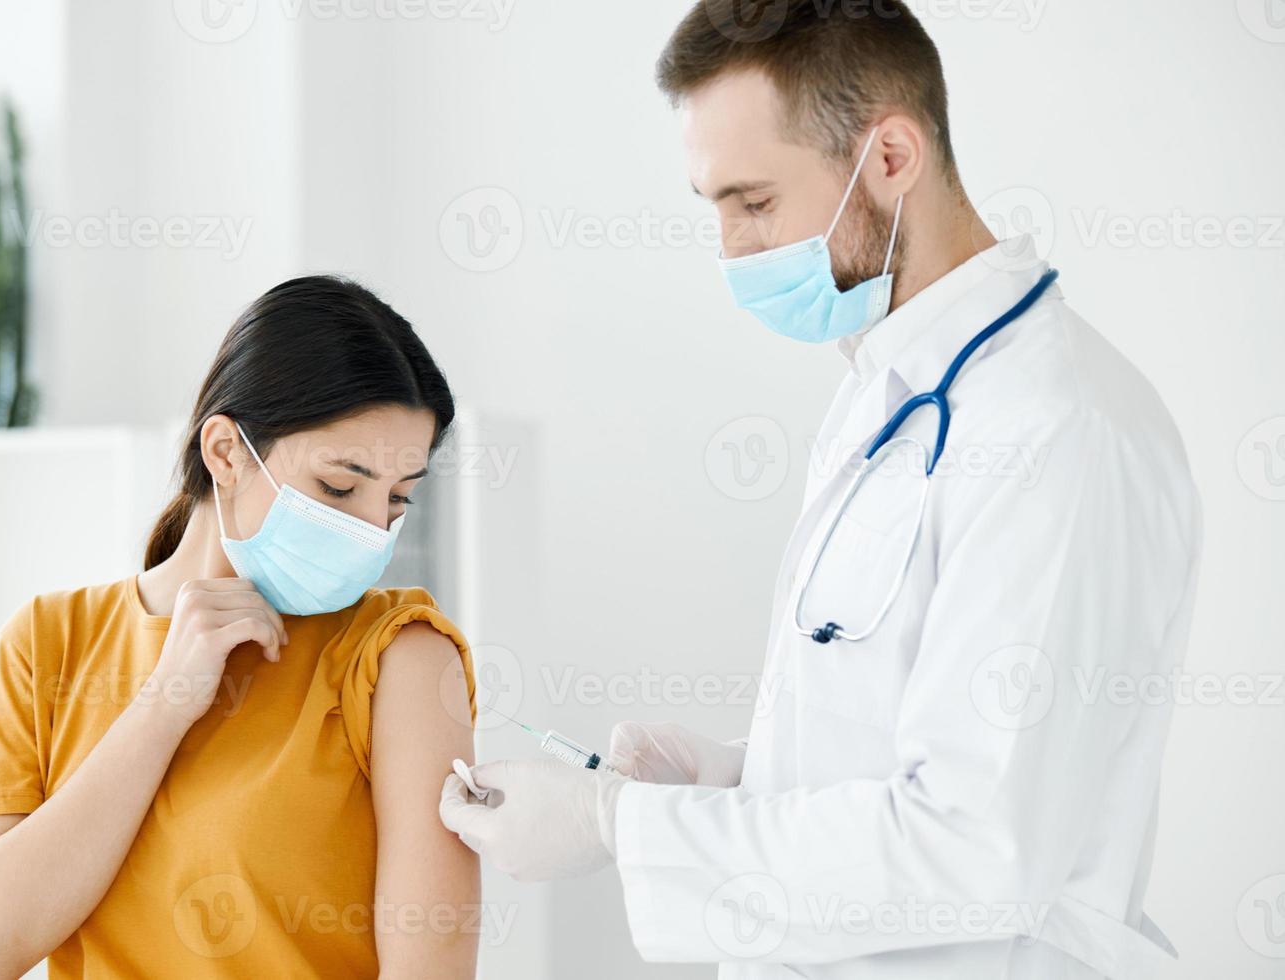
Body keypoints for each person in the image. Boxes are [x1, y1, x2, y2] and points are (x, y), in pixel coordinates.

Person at [439, 3, 1200, 978]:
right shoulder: (881, 393)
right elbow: (892, 737)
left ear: (890, 157)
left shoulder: (1053, 427)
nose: (729, 250)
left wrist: (619, 823)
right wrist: (728, 777)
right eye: (711, 205)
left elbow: (977, 845)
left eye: (753, 204)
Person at [0, 276, 481, 979]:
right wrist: (165, 705)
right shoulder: (45, 642)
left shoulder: (401, 655)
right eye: (340, 486)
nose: (372, 532)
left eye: (397, 500)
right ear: (225, 452)